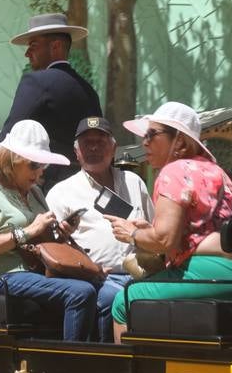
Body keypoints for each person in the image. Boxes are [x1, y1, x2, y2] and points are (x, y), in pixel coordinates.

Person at [104, 102, 232, 342]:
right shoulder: (217, 172)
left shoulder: (174, 171)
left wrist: (131, 234)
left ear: (181, 142)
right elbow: (197, 228)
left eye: (152, 134)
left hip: (208, 271)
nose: (144, 142)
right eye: (145, 135)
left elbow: (165, 240)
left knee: (122, 302)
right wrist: (149, 231)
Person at [0, 119, 99, 342]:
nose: (39, 171)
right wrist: (29, 231)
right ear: (11, 160)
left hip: (34, 272)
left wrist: (60, 232)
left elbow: (41, 238)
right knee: (81, 293)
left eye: (43, 165)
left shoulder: (35, 193)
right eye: (34, 164)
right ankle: (71, 368)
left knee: (100, 289)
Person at [45, 116, 154, 342]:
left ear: (113, 148)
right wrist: (61, 235)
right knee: (110, 298)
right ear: (76, 152)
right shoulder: (61, 192)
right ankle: (107, 367)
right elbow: (49, 245)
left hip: (143, 274)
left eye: (101, 141)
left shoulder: (134, 182)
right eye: (87, 143)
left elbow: (155, 229)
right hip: (97, 278)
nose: (94, 147)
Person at [0, 13, 102, 181]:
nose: (27, 53)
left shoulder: (36, 81)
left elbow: (6, 140)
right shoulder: (90, 92)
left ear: (56, 46)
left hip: (42, 188)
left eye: (33, 45)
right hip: (86, 188)